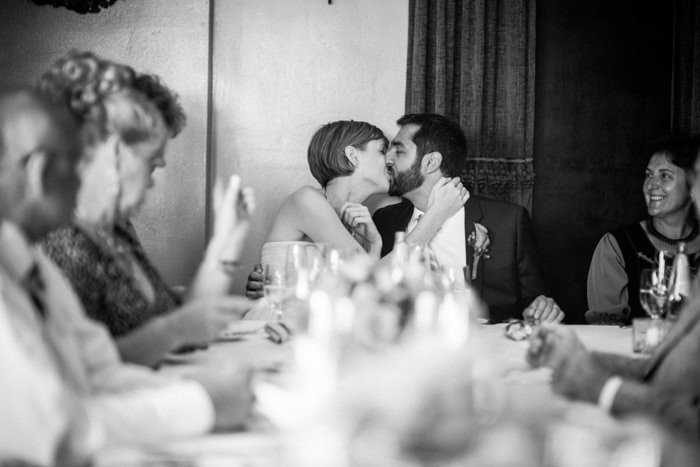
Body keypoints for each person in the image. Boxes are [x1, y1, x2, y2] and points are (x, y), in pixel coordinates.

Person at [0, 88, 253, 464]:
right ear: (39, 173)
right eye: (75, 167)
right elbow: (56, 433)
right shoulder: (52, 247)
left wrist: (198, 390)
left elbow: (99, 371)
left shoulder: (32, 263)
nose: (80, 184)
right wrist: (200, 402)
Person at [37, 51, 254, 366]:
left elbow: (179, 328)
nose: (153, 181)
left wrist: (228, 239)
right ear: (114, 154)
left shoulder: (114, 228)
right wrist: (175, 332)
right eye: (152, 164)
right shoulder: (59, 241)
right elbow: (79, 373)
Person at [245, 119, 470, 300]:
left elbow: (364, 292)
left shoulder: (358, 223)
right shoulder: (307, 201)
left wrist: (375, 246)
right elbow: (369, 279)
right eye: (383, 150)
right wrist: (436, 215)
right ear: (353, 156)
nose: (390, 160)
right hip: (286, 328)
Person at [373, 113, 563, 324]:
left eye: (398, 151)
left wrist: (540, 309)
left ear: (431, 162)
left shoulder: (508, 221)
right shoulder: (384, 220)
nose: (386, 159)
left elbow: (534, 300)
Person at [587, 134, 700, 325]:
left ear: (694, 186)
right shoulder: (616, 246)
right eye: (649, 175)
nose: (651, 185)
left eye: (665, 176)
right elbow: (605, 329)